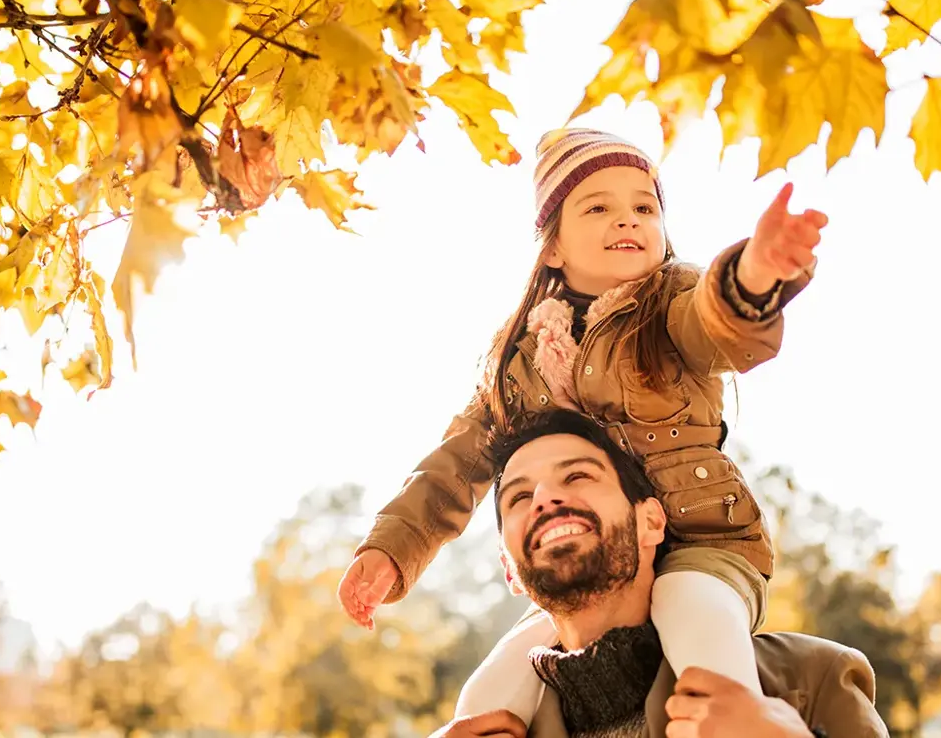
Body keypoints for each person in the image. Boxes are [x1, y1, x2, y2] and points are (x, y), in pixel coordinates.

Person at [338, 128, 829, 721]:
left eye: (644, 208)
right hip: (590, 561)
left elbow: (714, 321)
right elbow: (455, 465)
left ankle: (746, 722)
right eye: (599, 207)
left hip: (700, 539)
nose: (628, 221)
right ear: (552, 248)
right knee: (495, 684)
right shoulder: (517, 363)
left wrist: (752, 276)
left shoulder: (669, 303)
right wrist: (394, 550)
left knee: (692, 611)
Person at [432, 409, 889, 738]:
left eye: (578, 477)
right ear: (509, 570)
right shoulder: (490, 726)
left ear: (652, 521)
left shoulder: (809, 681)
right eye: (518, 497)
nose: (545, 497)